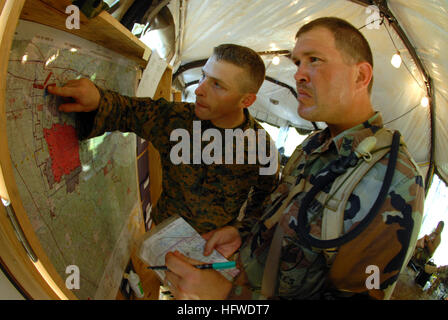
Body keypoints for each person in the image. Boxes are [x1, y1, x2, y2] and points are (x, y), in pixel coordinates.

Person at [164, 17, 425, 300]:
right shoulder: (315, 144)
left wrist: (229, 297)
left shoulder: (394, 181)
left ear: (360, 76)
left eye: (314, 60)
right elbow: (283, 215)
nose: (298, 74)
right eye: (297, 62)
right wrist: (243, 233)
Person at [47, 44, 279, 235]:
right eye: (203, 77)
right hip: (163, 232)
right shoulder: (176, 119)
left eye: (217, 85)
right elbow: (129, 111)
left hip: (214, 245)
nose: (199, 89)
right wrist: (97, 98)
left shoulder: (262, 148)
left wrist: (238, 233)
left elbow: (263, 202)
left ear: (246, 101)